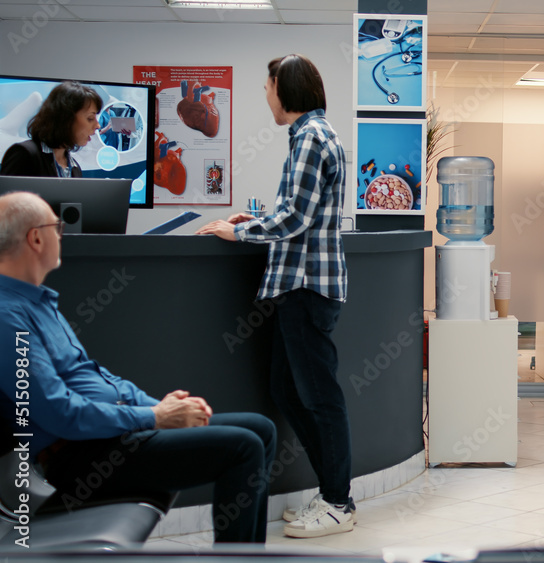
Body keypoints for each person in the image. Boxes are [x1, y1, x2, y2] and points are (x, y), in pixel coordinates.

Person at [0, 191, 276, 544]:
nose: (61, 235)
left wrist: (155, 406)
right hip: (84, 459)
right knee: (243, 447)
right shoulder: (9, 316)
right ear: (36, 238)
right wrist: (156, 417)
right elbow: (58, 412)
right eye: (57, 228)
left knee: (260, 429)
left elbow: (95, 374)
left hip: (110, 436)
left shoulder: (38, 301)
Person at [196, 54, 354, 539]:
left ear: (285, 89)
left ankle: (337, 502)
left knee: (321, 397)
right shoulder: (314, 134)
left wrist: (239, 234)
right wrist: (253, 220)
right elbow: (294, 210)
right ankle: (331, 490)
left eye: (267, 88)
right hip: (301, 284)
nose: (265, 97)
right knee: (288, 390)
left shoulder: (310, 137)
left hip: (306, 285)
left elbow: (297, 219)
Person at [0, 81, 102, 178]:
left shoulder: (75, 168)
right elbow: (6, 196)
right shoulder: (24, 154)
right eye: (90, 118)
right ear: (65, 118)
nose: (98, 126)